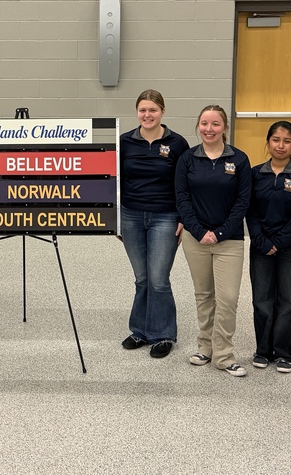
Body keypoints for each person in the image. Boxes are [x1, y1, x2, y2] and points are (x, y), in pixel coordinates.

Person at [174, 105, 252, 377]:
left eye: (215, 124)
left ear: (225, 127)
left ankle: (224, 355)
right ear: (198, 126)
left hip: (229, 240)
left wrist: (219, 233)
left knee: (227, 298)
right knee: (204, 295)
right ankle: (205, 347)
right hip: (195, 239)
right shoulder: (187, 159)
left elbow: (243, 202)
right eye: (204, 123)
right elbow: (182, 199)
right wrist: (198, 231)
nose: (209, 129)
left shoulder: (239, 159)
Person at [117, 89, 190, 359]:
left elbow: (185, 185)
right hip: (131, 216)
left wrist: (183, 218)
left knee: (158, 280)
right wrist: (114, 219)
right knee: (142, 278)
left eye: (153, 110)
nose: (147, 115)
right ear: (137, 112)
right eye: (142, 110)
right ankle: (140, 330)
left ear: (163, 111)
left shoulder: (177, 143)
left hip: (165, 217)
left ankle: (163, 334)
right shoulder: (124, 142)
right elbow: (115, 181)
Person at [246, 121, 291, 374]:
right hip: (261, 246)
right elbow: (250, 211)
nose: (281, 145)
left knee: (290, 300)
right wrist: (262, 240)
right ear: (268, 142)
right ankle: (263, 350)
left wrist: (279, 242)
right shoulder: (255, 174)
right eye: (276, 140)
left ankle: (284, 352)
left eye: (287, 141)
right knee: (262, 300)